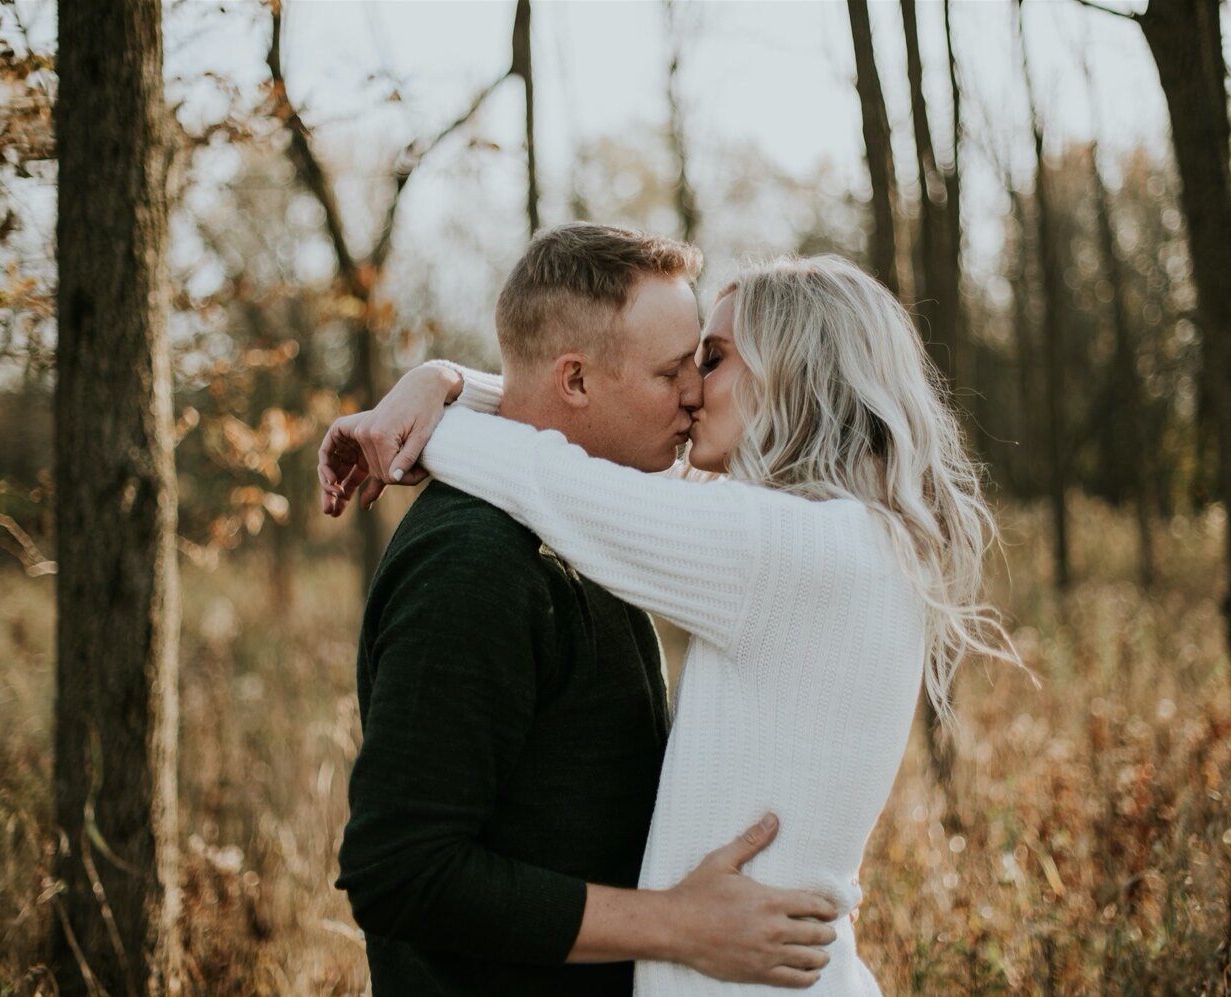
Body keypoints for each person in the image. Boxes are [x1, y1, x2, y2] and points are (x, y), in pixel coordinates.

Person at [323, 238, 1022, 995]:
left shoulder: (779, 550)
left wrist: (436, 397)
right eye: (677, 367)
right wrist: (446, 387)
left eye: (711, 358)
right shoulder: (852, 536)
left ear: (794, 375)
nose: (693, 389)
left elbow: (548, 469)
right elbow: (399, 868)